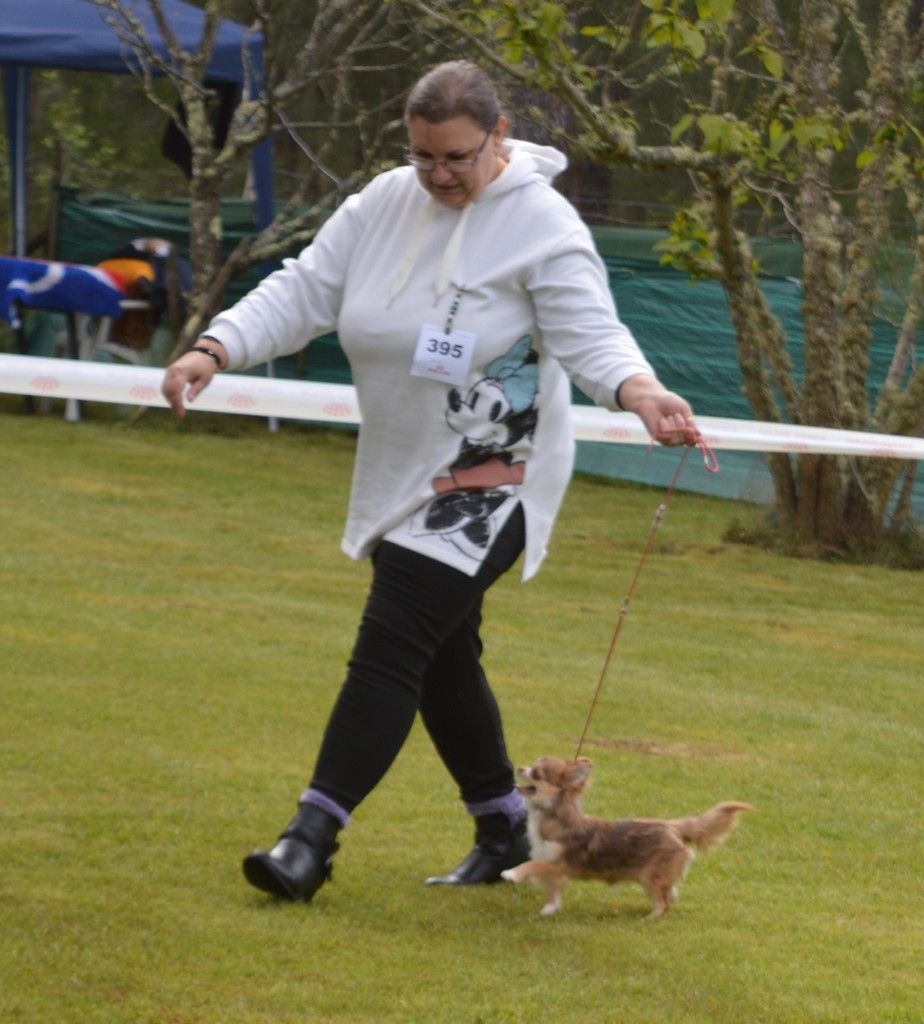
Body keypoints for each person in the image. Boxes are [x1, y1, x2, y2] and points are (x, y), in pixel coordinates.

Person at [161, 60, 697, 904]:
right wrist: (214, 346)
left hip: (496, 481)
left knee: (390, 644)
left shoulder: (544, 227)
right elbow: (306, 288)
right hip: (402, 470)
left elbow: (592, 332)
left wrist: (641, 393)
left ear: (499, 138)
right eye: (423, 157)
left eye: (456, 157)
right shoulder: (381, 202)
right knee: (444, 659)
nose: (439, 175)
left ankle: (309, 839)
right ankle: (496, 828)